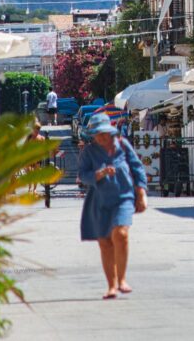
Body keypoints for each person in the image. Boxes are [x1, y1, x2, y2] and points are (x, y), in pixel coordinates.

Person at [78, 113, 148, 299]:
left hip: (123, 197)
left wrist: (141, 193)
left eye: (103, 133)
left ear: (110, 132)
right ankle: (111, 285)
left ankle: (122, 279)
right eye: (97, 134)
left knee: (121, 234)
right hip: (99, 201)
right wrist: (98, 174)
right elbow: (83, 175)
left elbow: (138, 168)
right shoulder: (89, 152)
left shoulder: (122, 145)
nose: (101, 137)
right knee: (105, 242)